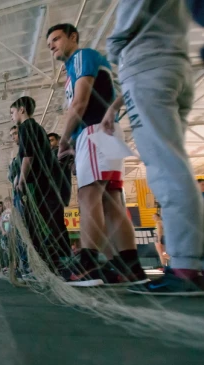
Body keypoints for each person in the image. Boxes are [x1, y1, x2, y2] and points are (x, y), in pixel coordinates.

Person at [102, 0, 204, 295]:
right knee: (176, 164)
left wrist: (114, 49)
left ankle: (185, 267)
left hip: (147, 64)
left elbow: (124, 29)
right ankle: (191, 261)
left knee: (165, 168)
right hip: (175, 65)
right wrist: (116, 104)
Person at [47, 24, 147, 286]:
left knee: (88, 195)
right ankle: (129, 266)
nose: (52, 46)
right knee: (112, 201)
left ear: (73, 37)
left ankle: (88, 266)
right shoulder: (74, 69)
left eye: (56, 39)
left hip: (93, 132)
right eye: (49, 44)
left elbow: (79, 104)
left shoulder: (82, 57)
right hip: (105, 134)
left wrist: (64, 141)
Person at [10, 96, 71, 278]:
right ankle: (54, 264)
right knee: (46, 224)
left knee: (40, 226)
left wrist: (21, 178)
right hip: (45, 186)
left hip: (39, 187)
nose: (12, 117)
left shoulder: (27, 127)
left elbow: (28, 156)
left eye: (12, 112)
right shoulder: (37, 129)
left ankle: (52, 266)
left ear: (22, 110)